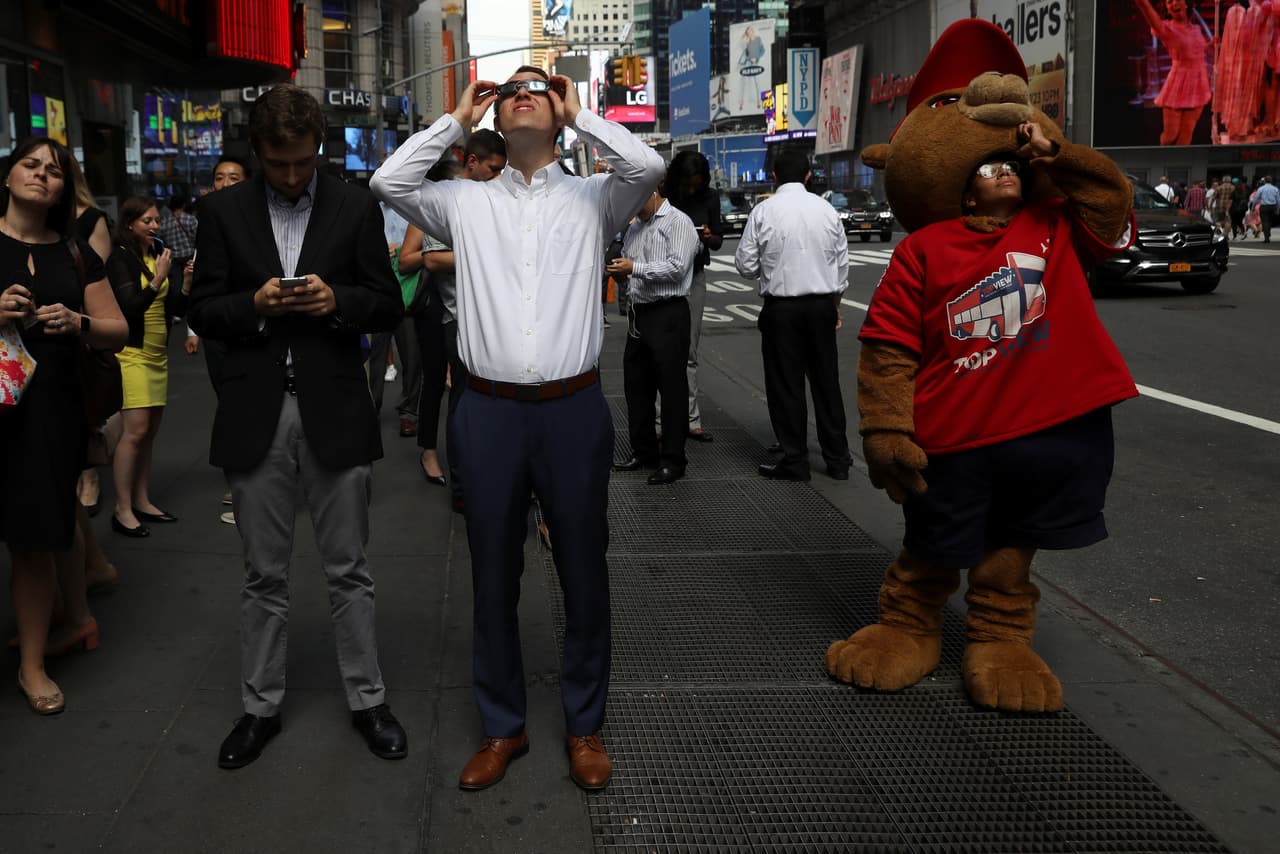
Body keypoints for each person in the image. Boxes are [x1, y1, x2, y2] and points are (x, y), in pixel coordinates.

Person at [372, 67, 664, 791]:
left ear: (560, 109)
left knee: (584, 570)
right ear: (493, 116)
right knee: (493, 573)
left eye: (540, 87)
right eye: (510, 90)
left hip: (573, 410)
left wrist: (581, 114)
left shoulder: (596, 198)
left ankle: (584, 724)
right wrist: (453, 119)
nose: (524, 93)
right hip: (489, 412)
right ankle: (502, 727)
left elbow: (649, 164)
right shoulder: (464, 203)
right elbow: (386, 182)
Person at [188, 84, 407, 770]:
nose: (291, 177)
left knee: (349, 568)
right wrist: (252, 305)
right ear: (258, 152)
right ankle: (260, 708)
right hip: (258, 407)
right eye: (280, 164)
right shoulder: (222, 211)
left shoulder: (352, 204)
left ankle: (368, 700)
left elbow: (384, 304)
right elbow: (201, 309)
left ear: (318, 151)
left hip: (334, 404)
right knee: (263, 573)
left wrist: (335, 301)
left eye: (303, 162)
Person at [1, 136, 128, 714]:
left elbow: (116, 330)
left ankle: (32, 665)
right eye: (30, 165)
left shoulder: (76, 253)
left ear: (63, 190)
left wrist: (78, 320)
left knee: (33, 544)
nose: (41, 176)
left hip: (47, 414)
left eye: (54, 171)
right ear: (7, 176)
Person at [398, 130, 508, 506]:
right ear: (472, 163)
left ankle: (490, 476)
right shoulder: (443, 200)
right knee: (453, 396)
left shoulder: (496, 197)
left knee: (494, 403)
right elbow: (420, 259)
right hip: (450, 316)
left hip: (492, 318)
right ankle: (453, 477)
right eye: (493, 169)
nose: (498, 177)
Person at [735, 150, 853, 482]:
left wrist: (767, 268)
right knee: (826, 381)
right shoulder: (827, 211)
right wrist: (836, 303)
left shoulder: (763, 211)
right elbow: (841, 265)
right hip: (821, 306)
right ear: (808, 176)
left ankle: (795, 459)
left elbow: (744, 265)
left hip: (781, 309)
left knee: (786, 385)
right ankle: (838, 459)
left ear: (773, 176)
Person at [610, 188, 700, 484]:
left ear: (653, 191)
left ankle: (674, 459)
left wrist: (634, 268)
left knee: (672, 388)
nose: (634, 209)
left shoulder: (678, 222)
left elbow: (677, 268)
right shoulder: (635, 227)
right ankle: (643, 450)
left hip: (668, 311)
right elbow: (627, 262)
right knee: (636, 385)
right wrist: (622, 272)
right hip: (640, 312)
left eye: (637, 201)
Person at [106, 196, 184, 537]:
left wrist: (185, 282)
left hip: (158, 356)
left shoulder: (156, 254)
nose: (155, 226)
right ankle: (122, 509)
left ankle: (142, 499)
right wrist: (158, 279)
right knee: (134, 432)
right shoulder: (120, 258)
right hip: (132, 354)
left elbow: (175, 306)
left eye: (156, 220)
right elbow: (130, 308)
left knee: (149, 434)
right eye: (147, 221)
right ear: (129, 225)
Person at [184, 154, 248, 526]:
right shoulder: (209, 221)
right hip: (218, 331)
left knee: (250, 401)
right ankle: (239, 482)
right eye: (220, 177)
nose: (226, 183)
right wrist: (194, 331)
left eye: (234, 177)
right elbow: (200, 284)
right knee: (229, 402)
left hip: (252, 326)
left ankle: (250, 485)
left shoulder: (259, 222)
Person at [660, 151, 724, 444]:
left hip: (694, 276)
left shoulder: (709, 198)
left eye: (696, 184)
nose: (691, 189)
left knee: (690, 352)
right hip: (664, 276)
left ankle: (691, 419)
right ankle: (661, 420)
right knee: (661, 351)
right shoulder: (665, 194)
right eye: (687, 183)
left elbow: (719, 240)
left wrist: (708, 236)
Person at [367, 199, 424, 437]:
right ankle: (371, 409)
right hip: (380, 292)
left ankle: (409, 413)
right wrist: (380, 249)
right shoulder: (372, 210)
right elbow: (362, 247)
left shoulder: (418, 210)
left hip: (408, 291)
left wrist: (401, 250)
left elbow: (429, 248)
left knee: (412, 358)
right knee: (375, 357)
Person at [1134, 0, 1211, 146]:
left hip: (1198, 85)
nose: (1173, 4)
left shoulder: (1196, 28)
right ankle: (1161, 160)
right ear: (1167, 10)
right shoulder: (1167, 29)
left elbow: (1197, 50)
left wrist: (1210, 45)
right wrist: (1143, 3)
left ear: (1186, 3)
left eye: (1176, 0)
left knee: (1186, 135)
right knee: (1171, 135)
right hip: (1178, 84)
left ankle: (1179, 167)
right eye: (1169, 3)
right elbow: (1147, 9)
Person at [1253, 175, 1280, 242]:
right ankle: (1268, 233)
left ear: (1264, 181)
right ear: (1271, 181)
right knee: (1270, 221)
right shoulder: (1275, 189)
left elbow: (1256, 198)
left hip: (1264, 207)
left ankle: (1266, 237)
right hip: (1273, 207)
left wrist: (1253, 207)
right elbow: (1278, 200)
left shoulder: (1261, 189)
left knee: (1265, 222)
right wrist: (1278, 208)